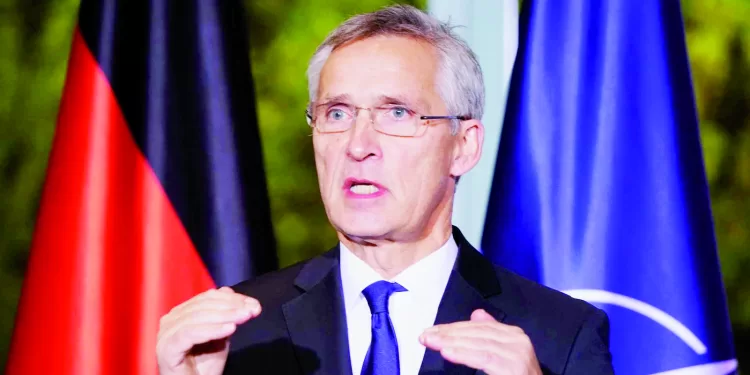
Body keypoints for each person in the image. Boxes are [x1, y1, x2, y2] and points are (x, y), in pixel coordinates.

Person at [156, 5, 614, 375]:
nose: (358, 145)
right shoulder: (241, 335)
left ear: (464, 146)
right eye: (337, 114)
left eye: (396, 114)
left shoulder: (559, 336)